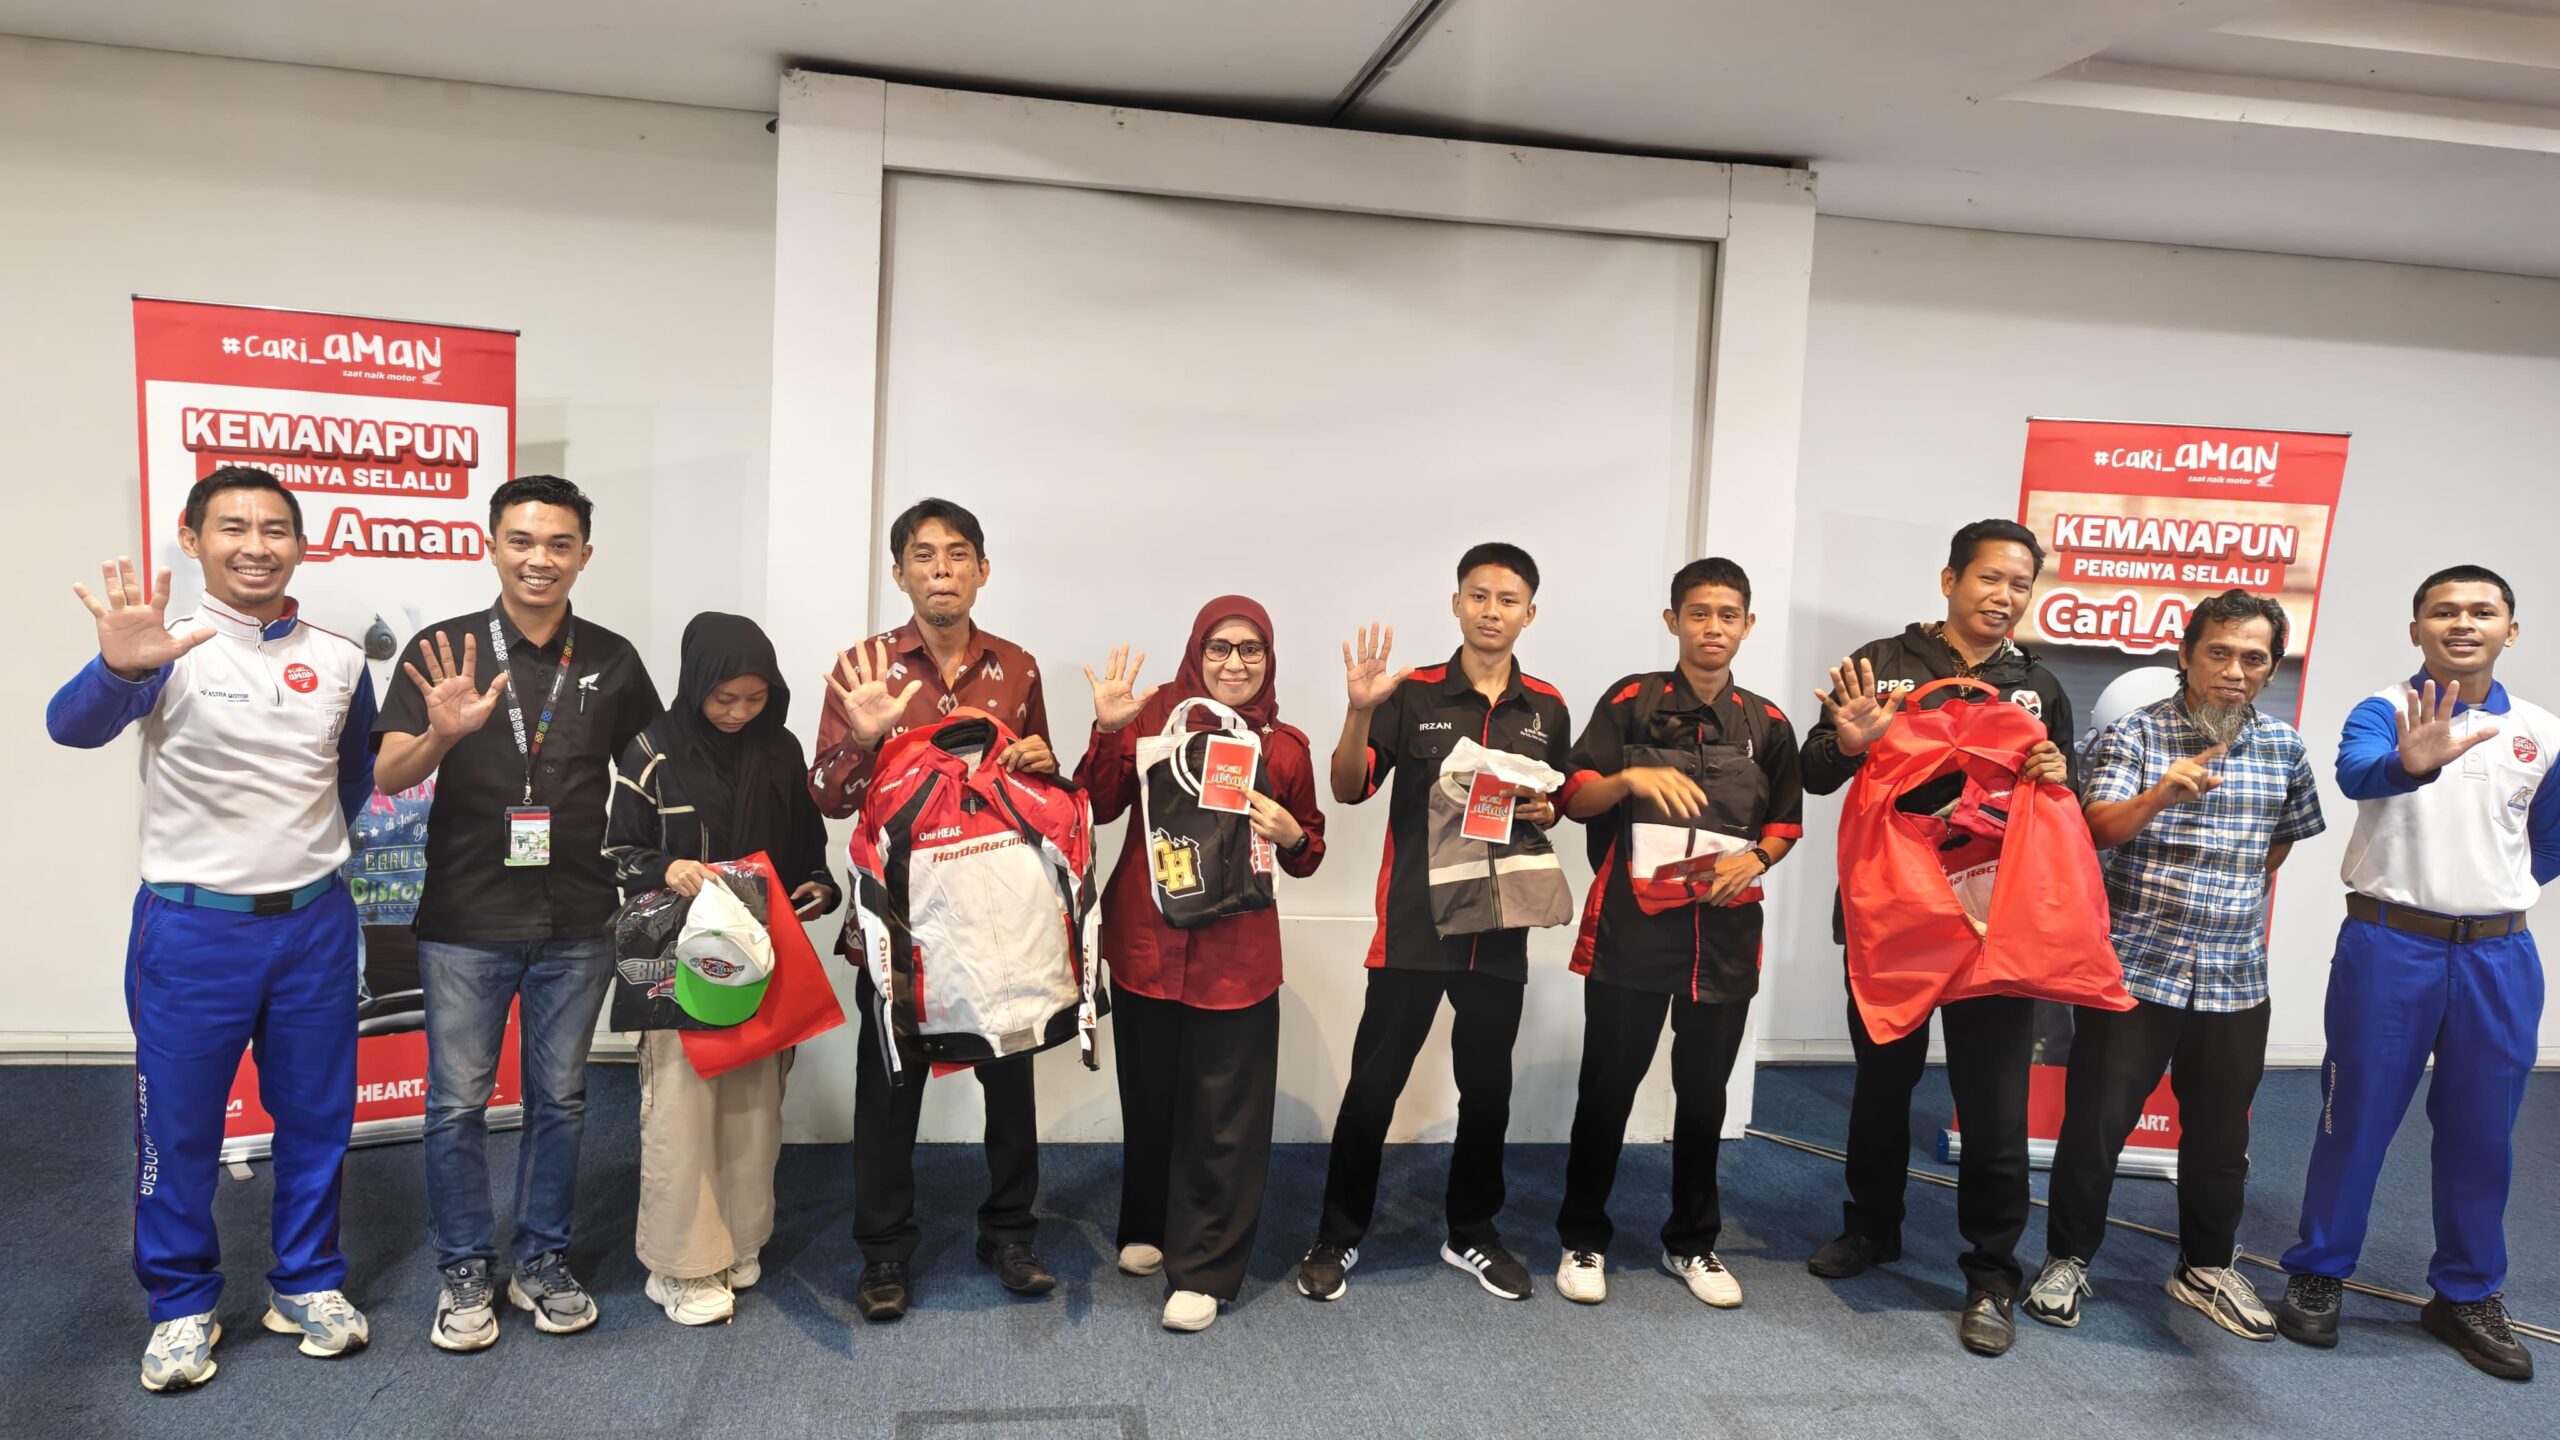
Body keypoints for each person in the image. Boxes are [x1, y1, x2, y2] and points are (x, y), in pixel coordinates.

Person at [48, 467, 375, 1391]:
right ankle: (181, 1303)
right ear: (193, 540)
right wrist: (120, 668)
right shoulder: (167, 646)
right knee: (179, 1130)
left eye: (276, 529)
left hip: (313, 926)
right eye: (233, 527)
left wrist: (299, 857)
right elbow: (70, 728)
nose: (256, 546)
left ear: (300, 545)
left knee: (317, 1120)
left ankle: (306, 1282)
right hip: (193, 932)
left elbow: (351, 779)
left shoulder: (342, 659)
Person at [372, 474, 663, 1351]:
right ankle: (464, 1267)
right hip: (466, 918)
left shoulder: (612, 658)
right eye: (523, 541)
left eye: (559, 544)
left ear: (584, 555)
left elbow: (659, 771)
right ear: (491, 545)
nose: (541, 559)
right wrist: (442, 735)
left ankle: (542, 1259)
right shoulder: (443, 649)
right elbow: (386, 773)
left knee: (561, 1100)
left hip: (578, 917)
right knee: (457, 1103)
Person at [1800, 517, 2074, 1357]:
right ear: (1950, 579)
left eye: (2021, 584)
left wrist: (2059, 772)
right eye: (1990, 578)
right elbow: (1814, 770)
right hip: (1893, 919)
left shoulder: (2039, 686)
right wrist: (1848, 742)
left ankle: (1991, 1273)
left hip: (1993, 925)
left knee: (1993, 1106)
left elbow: (2061, 801)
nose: (2004, 596)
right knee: (1883, 1086)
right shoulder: (1881, 663)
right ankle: (1871, 1228)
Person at [2274, 565, 2553, 1382]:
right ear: (2416, 628)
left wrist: (2494, 894)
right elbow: (2357, 774)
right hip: (2391, 947)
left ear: (2510, 630)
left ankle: (2465, 1292)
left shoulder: (2543, 730)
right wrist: (2411, 762)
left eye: (2482, 611)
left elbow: (2551, 838)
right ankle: (2320, 1269)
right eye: (2443, 611)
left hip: (2498, 956)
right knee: (2353, 1116)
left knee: (2483, 1133)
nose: (2462, 623)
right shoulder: (2382, 710)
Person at [2024, 590, 2324, 1340]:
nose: (2234, 671)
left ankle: (2205, 1268)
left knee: (2222, 1137)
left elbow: (2280, 841)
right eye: (2218, 652)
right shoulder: (2134, 734)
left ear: (2270, 669)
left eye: (2253, 658)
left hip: (2234, 975)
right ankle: (2067, 1259)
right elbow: (2096, 827)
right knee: (2097, 1126)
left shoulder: (2284, 747)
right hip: (2135, 968)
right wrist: (2161, 794)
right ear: (2186, 655)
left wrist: (2225, 892)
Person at [1294, 542, 1573, 1304]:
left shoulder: (1546, 707)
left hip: (1500, 928)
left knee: (1487, 1094)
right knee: (1373, 1089)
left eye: (1508, 600)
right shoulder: (1410, 692)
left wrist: (1548, 808)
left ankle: (1472, 1231)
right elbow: (1348, 788)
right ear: (1456, 604)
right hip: (1414, 926)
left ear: (1530, 613)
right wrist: (1359, 709)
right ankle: (1337, 1234)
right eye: (1478, 596)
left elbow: (1555, 801)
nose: (1491, 611)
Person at [808, 496, 1060, 1321]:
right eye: (923, 555)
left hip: (997, 928)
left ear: (982, 570)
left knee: (1011, 1085)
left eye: (957, 555)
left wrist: (1040, 763)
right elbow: (829, 796)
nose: (941, 569)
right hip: (898, 926)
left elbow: (1036, 795)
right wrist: (864, 738)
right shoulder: (864, 668)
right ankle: (884, 1252)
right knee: (889, 1092)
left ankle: (1010, 1234)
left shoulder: (1018, 668)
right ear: (899, 573)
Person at [1552, 558, 1803, 1309]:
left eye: (1728, 615)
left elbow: (1785, 823)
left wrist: (1757, 858)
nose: (1712, 628)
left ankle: (1691, 1243)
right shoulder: (1630, 702)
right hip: (1631, 932)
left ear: (1747, 625)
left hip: (1723, 940)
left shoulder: (1769, 724)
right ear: (1673, 622)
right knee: (1607, 1089)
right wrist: (1629, 780)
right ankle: (1583, 1237)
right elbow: (1574, 798)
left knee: (1703, 1097)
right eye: (1698, 613)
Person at [1079, 598, 1328, 1332]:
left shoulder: (1284, 748)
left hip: (1235, 958)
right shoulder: (1154, 717)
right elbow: (1096, 805)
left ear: (1269, 659)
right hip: (1147, 945)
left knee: (1223, 1117)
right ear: (1196, 650)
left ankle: (1206, 1268)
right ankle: (1149, 1224)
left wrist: (1290, 833)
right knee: (1150, 1097)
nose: (1235, 663)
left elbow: (1309, 851)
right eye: (1220, 647)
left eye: (1251, 649)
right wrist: (1109, 729)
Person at [604, 613, 839, 1326]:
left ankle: (737, 1239)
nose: (739, 712)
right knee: (682, 1110)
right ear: (695, 684)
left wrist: (818, 885)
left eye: (755, 698)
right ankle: (679, 1267)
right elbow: (615, 852)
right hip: (679, 961)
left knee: (754, 1106)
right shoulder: (651, 750)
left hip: (763, 954)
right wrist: (665, 866)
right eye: (723, 698)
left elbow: (807, 845)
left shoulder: (780, 748)